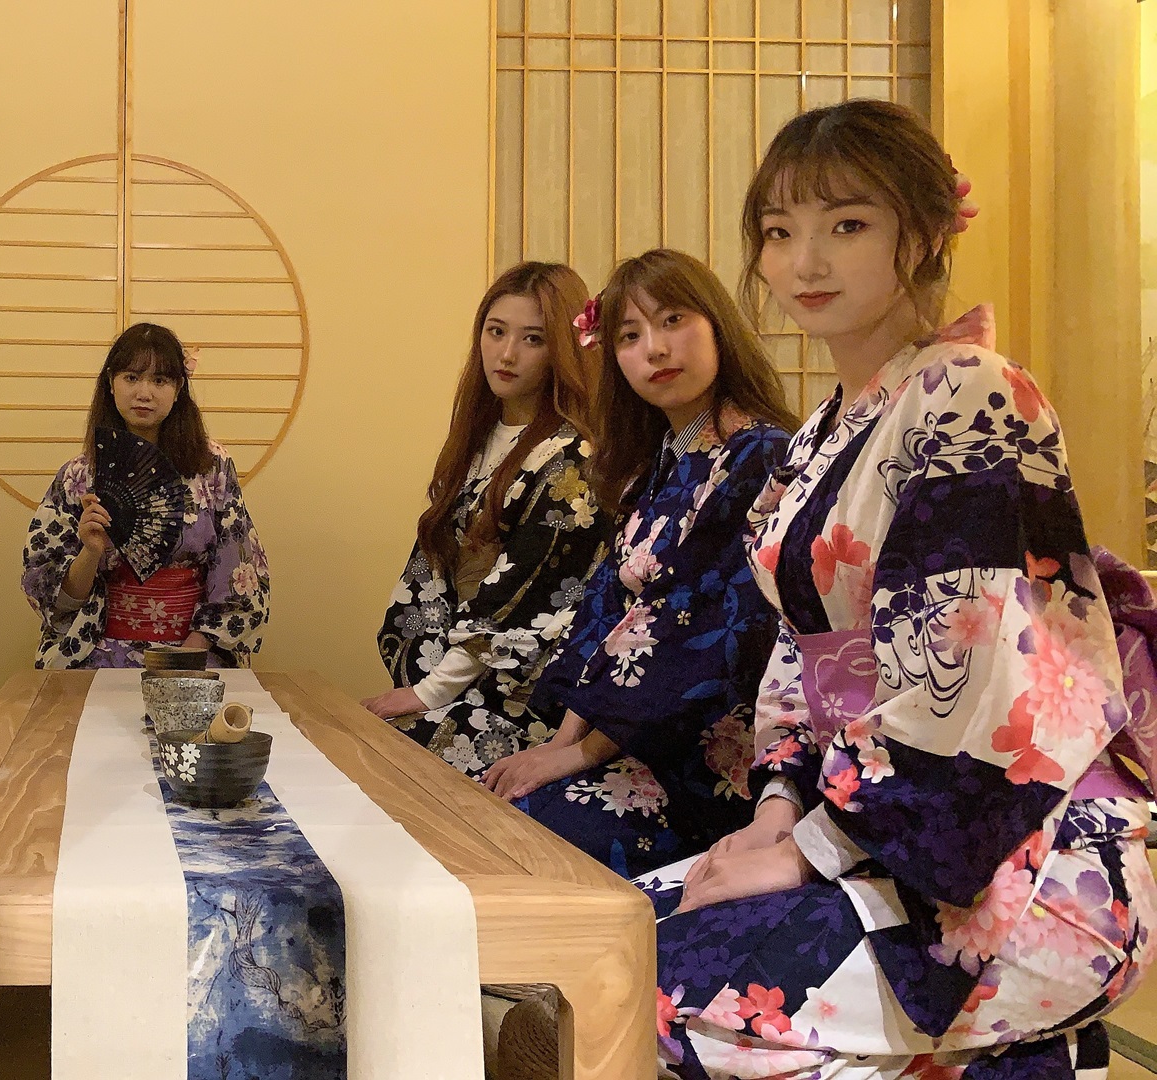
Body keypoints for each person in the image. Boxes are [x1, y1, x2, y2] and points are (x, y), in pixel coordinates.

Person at [644, 98, 1157, 1078]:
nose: (806, 261)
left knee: (664, 1002)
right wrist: (777, 807)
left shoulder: (970, 391)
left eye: (847, 224)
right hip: (869, 828)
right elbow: (798, 650)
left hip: (1018, 853)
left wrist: (810, 848)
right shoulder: (821, 432)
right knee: (610, 944)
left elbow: (967, 673)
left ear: (921, 234)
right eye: (779, 232)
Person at [478, 248, 795, 879]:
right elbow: (608, 609)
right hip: (635, 741)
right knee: (492, 807)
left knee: (529, 836)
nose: (655, 349)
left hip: (703, 758)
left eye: (673, 320)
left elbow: (702, 631)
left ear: (717, 326)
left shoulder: (759, 456)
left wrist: (579, 756)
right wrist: (559, 747)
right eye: (629, 335)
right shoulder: (661, 462)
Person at [365, 262, 610, 779]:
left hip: (516, 695)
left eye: (533, 339)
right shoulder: (478, 438)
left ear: (564, 350)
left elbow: (524, 599)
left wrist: (431, 691)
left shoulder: (570, 460)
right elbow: (431, 569)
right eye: (496, 331)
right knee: (357, 737)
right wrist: (424, 678)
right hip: (455, 671)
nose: (507, 353)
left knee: (386, 765)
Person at [21, 322, 270, 669]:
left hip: (195, 649)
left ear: (178, 389)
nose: (144, 393)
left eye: (160, 380)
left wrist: (192, 650)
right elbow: (53, 595)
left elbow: (239, 569)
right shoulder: (78, 477)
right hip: (97, 649)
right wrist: (90, 552)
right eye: (132, 377)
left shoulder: (213, 467)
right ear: (110, 383)